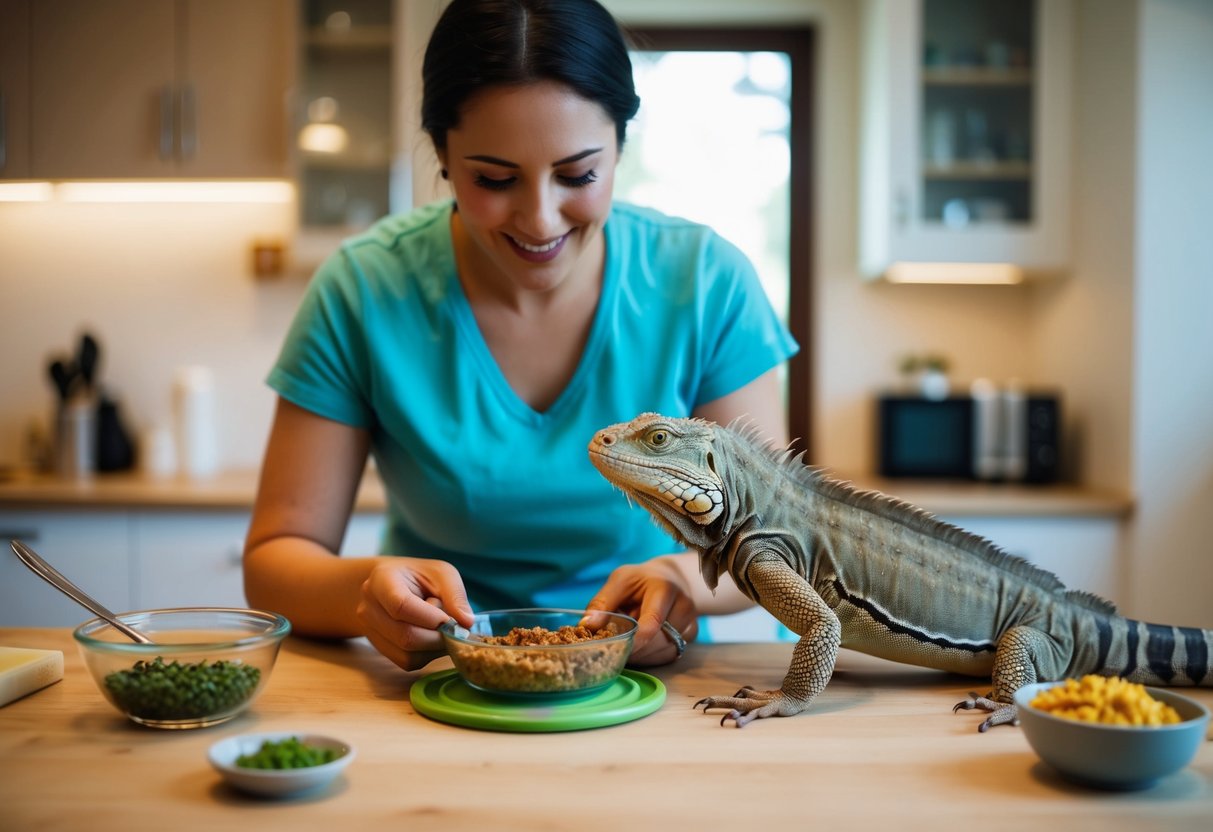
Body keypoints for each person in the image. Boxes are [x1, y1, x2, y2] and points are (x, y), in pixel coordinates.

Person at [243, 0, 798, 673]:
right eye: (494, 179)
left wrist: (681, 583)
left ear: (619, 145)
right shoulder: (362, 290)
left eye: (577, 174)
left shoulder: (706, 282)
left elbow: (775, 544)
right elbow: (278, 559)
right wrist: (366, 594)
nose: (538, 220)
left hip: (676, 688)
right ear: (442, 155)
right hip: (448, 680)